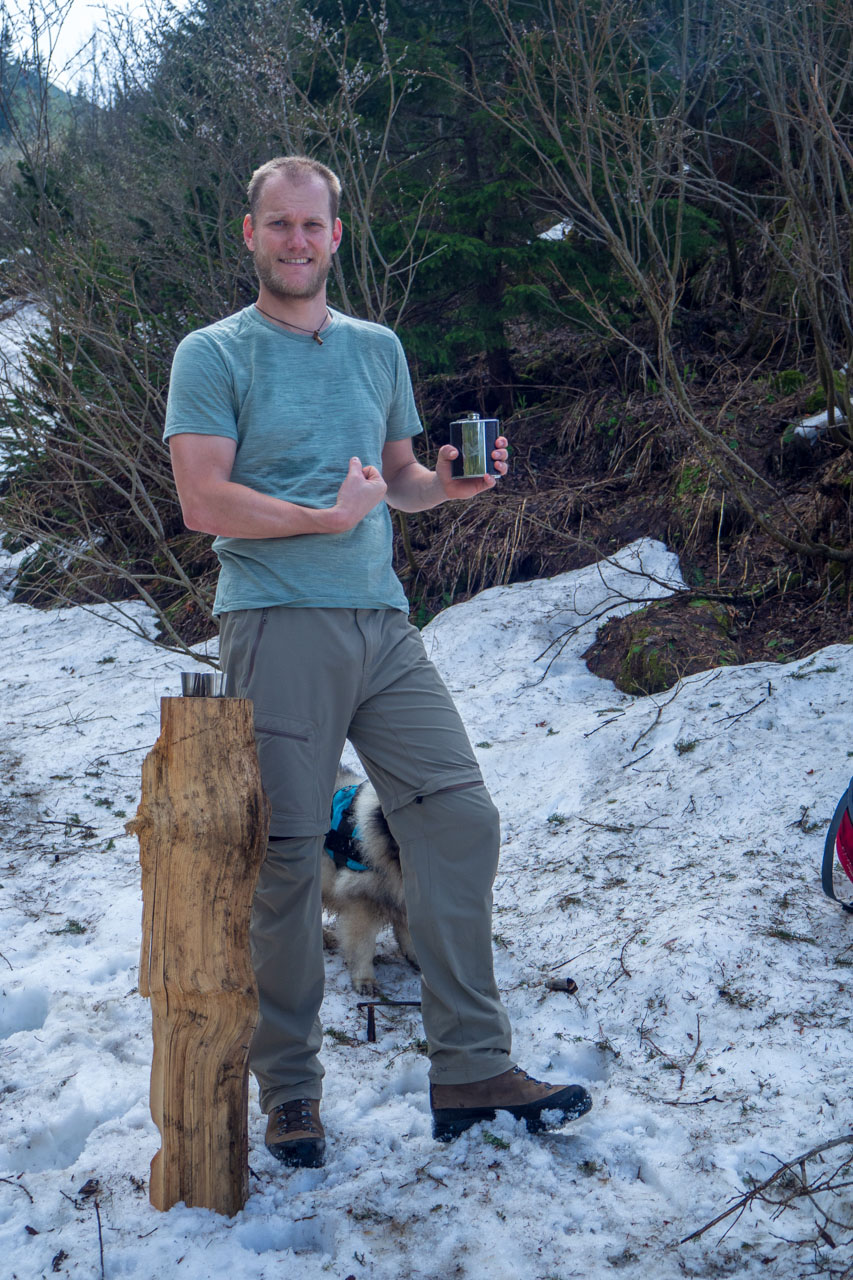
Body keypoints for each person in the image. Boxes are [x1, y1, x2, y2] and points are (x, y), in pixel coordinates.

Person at [164, 155, 591, 1168]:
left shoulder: (376, 347)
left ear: (338, 236)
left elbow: (394, 476)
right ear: (250, 234)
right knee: (280, 867)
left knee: (456, 814)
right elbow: (203, 499)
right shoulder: (213, 352)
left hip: (385, 620)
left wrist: (442, 487)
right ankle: (293, 1093)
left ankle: (472, 1067)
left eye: (314, 226)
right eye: (279, 226)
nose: (298, 242)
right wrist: (319, 517)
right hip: (277, 620)